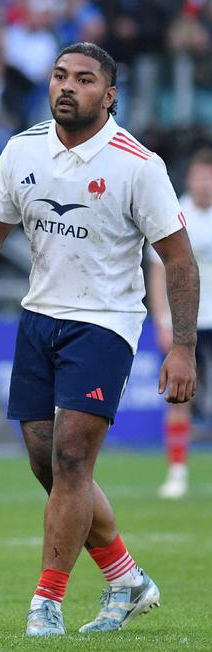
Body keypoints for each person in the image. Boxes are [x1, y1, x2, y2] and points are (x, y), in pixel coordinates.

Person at [0, 43, 199, 637]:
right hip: (39, 319)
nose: (68, 86)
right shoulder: (22, 149)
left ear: (109, 95)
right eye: (60, 76)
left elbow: (179, 261)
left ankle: (47, 602)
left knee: (70, 459)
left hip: (104, 323)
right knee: (48, 465)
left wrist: (181, 347)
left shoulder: (139, 164)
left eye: (84, 79)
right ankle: (128, 579)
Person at [148, 148, 212, 499]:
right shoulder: (176, 214)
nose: (206, 184)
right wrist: (162, 320)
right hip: (186, 323)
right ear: (190, 180)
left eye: (210, 177)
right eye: (201, 177)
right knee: (179, 397)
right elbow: (157, 272)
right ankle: (177, 473)